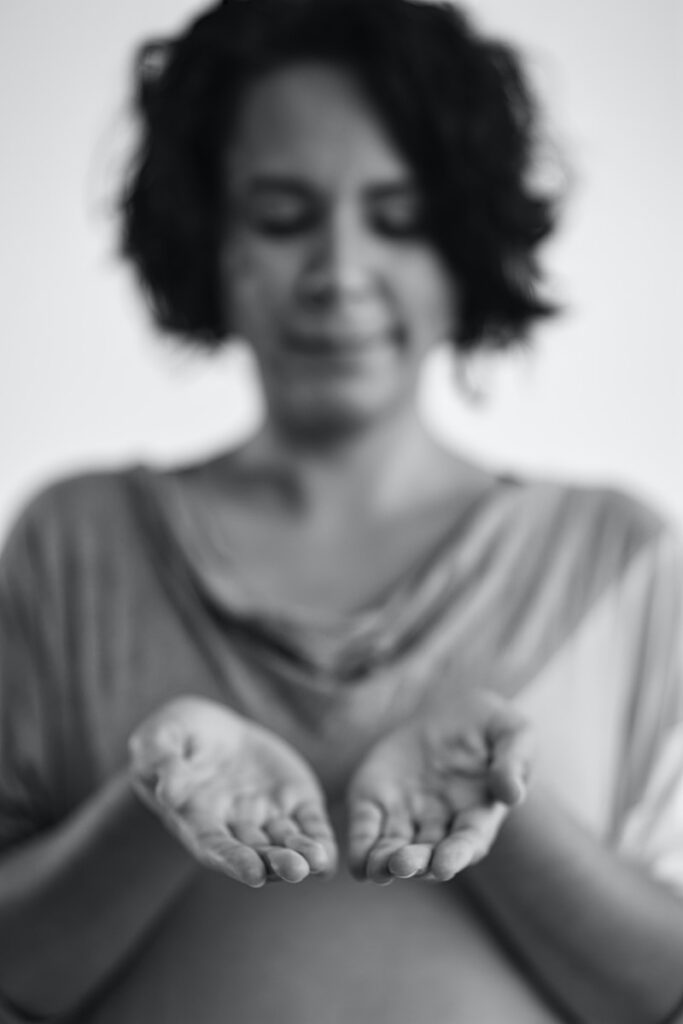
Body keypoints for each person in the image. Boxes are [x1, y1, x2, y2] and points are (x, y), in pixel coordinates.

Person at [1, 0, 682, 1021]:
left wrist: (504, 801)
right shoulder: (73, 545)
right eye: (281, 218)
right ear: (207, 236)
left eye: (398, 220)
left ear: (464, 245)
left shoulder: (615, 556)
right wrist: (152, 802)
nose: (338, 274)